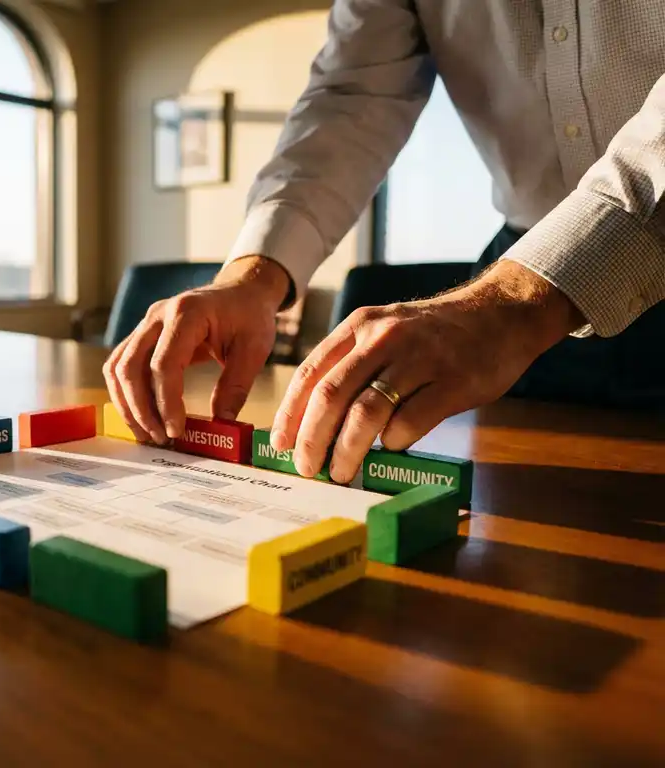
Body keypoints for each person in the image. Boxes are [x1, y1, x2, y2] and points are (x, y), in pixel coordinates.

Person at [104, 1, 665, 484]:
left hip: (520, 296)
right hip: (521, 267)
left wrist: (516, 300)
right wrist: (252, 277)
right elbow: (352, 95)